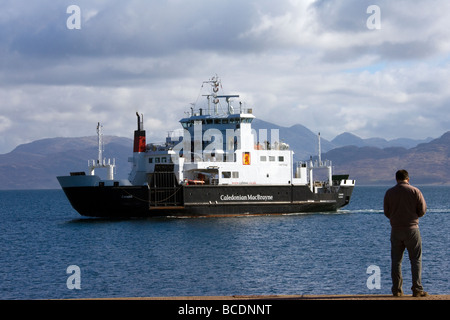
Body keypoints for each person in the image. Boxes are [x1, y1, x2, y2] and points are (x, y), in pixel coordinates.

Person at [383, 169, 428, 297]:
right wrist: (413, 217)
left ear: (396, 179)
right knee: (415, 260)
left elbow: (387, 212)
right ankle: (417, 289)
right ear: (408, 179)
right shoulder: (415, 191)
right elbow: (422, 210)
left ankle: (397, 290)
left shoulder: (389, 193)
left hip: (396, 230)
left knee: (396, 261)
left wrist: (395, 218)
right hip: (412, 229)